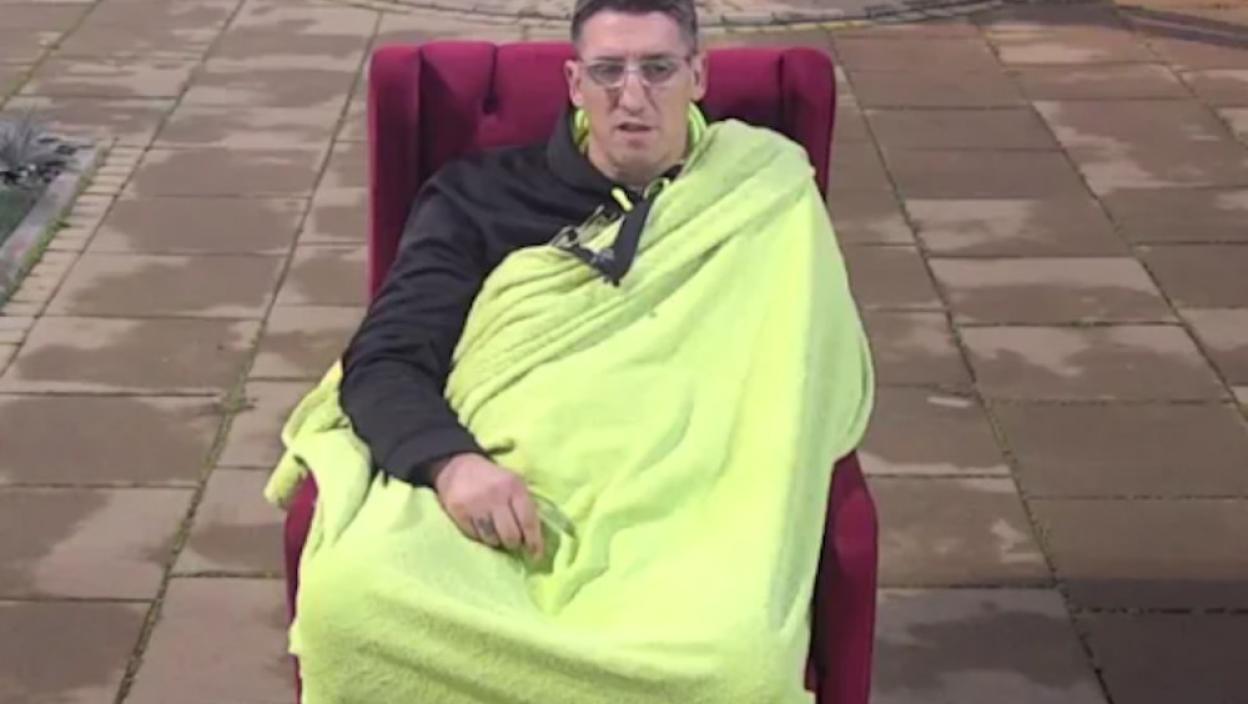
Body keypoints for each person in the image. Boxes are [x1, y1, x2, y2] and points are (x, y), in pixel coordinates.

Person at [263, 0, 873, 700]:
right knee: (349, 601)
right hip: (502, 496)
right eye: (609, 71)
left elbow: (804, 376)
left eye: (658, 69)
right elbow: (386, 357)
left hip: (688, 515)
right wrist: (453, 466)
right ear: (576, 83)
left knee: (740, 665)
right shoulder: (477, 197)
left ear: (698, 77)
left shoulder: (763, 190)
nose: (633, 97)